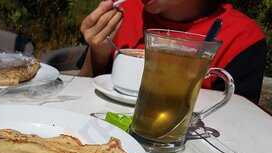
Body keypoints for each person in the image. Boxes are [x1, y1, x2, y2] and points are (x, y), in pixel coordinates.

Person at [80, 0, 267, 104]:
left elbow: (237, 125)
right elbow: (82, 88)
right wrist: (98, 53)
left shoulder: (243, 38)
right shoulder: (122, 13)